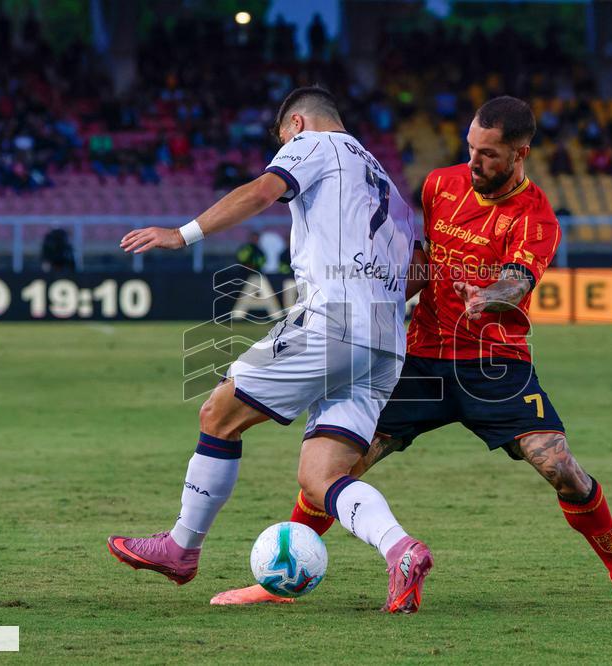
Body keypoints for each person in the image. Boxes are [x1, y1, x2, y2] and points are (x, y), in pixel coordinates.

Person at [213, 96, 612, 608]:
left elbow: (517, 283)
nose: (474, 162)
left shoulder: (536, 217)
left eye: (488, 154)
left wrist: (484, 297)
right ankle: (280, 581)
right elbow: (419, 263)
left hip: (494, 364)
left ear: (519, 154)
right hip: (420, 357)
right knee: (335, 468)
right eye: (470, 148)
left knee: (560, 467)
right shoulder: (441, 185)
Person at [109, 87, 434, 614]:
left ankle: (181, 548)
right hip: (385, 339)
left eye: (282, 138)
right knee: (323, 478)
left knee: (219, 414)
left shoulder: (314, 144)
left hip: (334, 320)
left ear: (296, 124)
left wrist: (180, 234)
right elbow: (418, 269)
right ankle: (402, 550)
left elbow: (262, 191)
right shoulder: (387, 184)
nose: (283, 148)